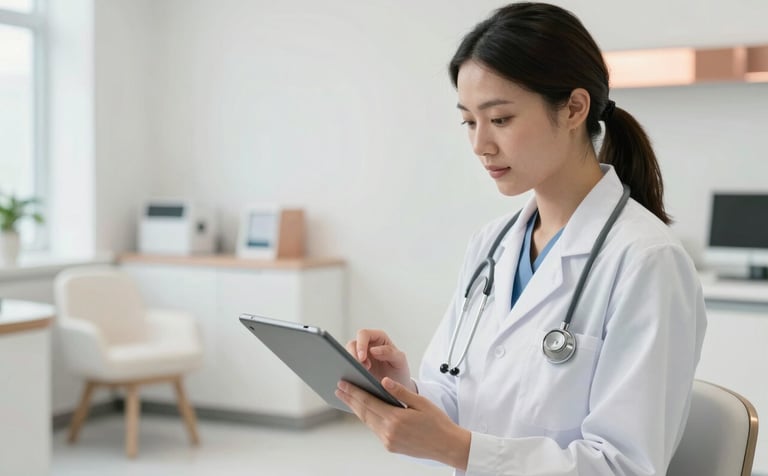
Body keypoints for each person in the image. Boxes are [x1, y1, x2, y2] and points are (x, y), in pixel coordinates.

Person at [335, 3, 707, 475]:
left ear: (574, 108)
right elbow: (461, 399)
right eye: (469, 121)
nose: (480, 144)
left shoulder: (647, 262)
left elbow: (623, 466)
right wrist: (400, 388)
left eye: (501, 119)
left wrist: (460, 451)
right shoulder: (491, 246)